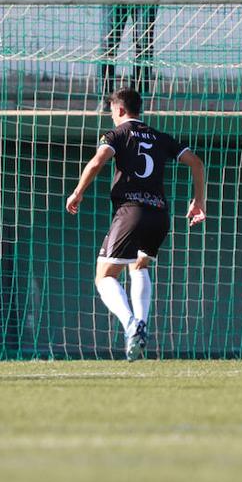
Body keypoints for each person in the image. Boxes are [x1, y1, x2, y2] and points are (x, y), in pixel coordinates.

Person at [65, 88, 206, 361]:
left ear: (118, 110)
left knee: (105, 275)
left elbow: (96, 162)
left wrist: (78, 192)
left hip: (131, 211)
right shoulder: (159, 136)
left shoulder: (116, 134)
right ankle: (141, 327)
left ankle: (131, 324)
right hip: (159, 214)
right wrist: (198, 201)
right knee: (139, 265)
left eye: (111, 113)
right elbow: (197, 163)